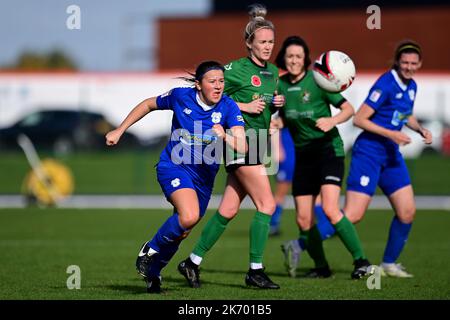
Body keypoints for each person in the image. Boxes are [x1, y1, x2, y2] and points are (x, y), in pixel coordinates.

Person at [105, 61, 247, 293]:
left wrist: (225, 137)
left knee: (182, 231)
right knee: (189, 215)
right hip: (174, 167)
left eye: (221, 81)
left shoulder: (229, 107)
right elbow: (148, 104)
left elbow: (243, 146)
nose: (218, 86)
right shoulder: (181, 96)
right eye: (212, 81)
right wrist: (120, 130)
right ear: (199, 85)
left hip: (203, 179)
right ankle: (150, 250)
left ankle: (153, 275)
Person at [177, 4, 284, 289]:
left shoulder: (273, 72)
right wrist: (245, 105)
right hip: (240, 144)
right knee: (267, 204)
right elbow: (215, 97)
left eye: (271, 41)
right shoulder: (235, 69)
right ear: (249, 43)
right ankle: (255, 270)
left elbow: (266, 107)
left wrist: (276, 108)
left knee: (228, 210)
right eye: (262, 41)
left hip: (259, 143)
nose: (267, 46)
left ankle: (192, 262)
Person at [313, 40, 432, 278]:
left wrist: (419, 129)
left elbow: (404, 114)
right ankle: (300, 245)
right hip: (369, 153)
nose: (408, 67)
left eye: (413, 63)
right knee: (353, 214)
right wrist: (392, 134)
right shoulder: (386, 83)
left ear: (419, 64)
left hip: (391, 156)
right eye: (405, 62)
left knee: (407, 212)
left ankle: (389, 263)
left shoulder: (412, 85)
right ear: (398, 61)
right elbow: (360, 119)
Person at [275, 36, 371, 279]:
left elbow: (348, 109)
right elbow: (290, 115)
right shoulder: (281, 86)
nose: (294, 60)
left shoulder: (318, 81)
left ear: (305, 59)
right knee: (303, 218)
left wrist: (333, 120)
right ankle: (321, 268)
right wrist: (278, 122)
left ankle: (362, 261)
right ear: (284, 59)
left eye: (298, 56)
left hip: (328, 151)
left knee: (329, 208)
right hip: (303, 155)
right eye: (290, 56)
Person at [268, 124, 295, 237]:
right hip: (287, 154)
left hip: (299, 153)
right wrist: (277, 148)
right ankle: (272, 225)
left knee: (313, 191)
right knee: (281, 192)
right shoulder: (285, 109)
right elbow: (274, 125)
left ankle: (327, 224)